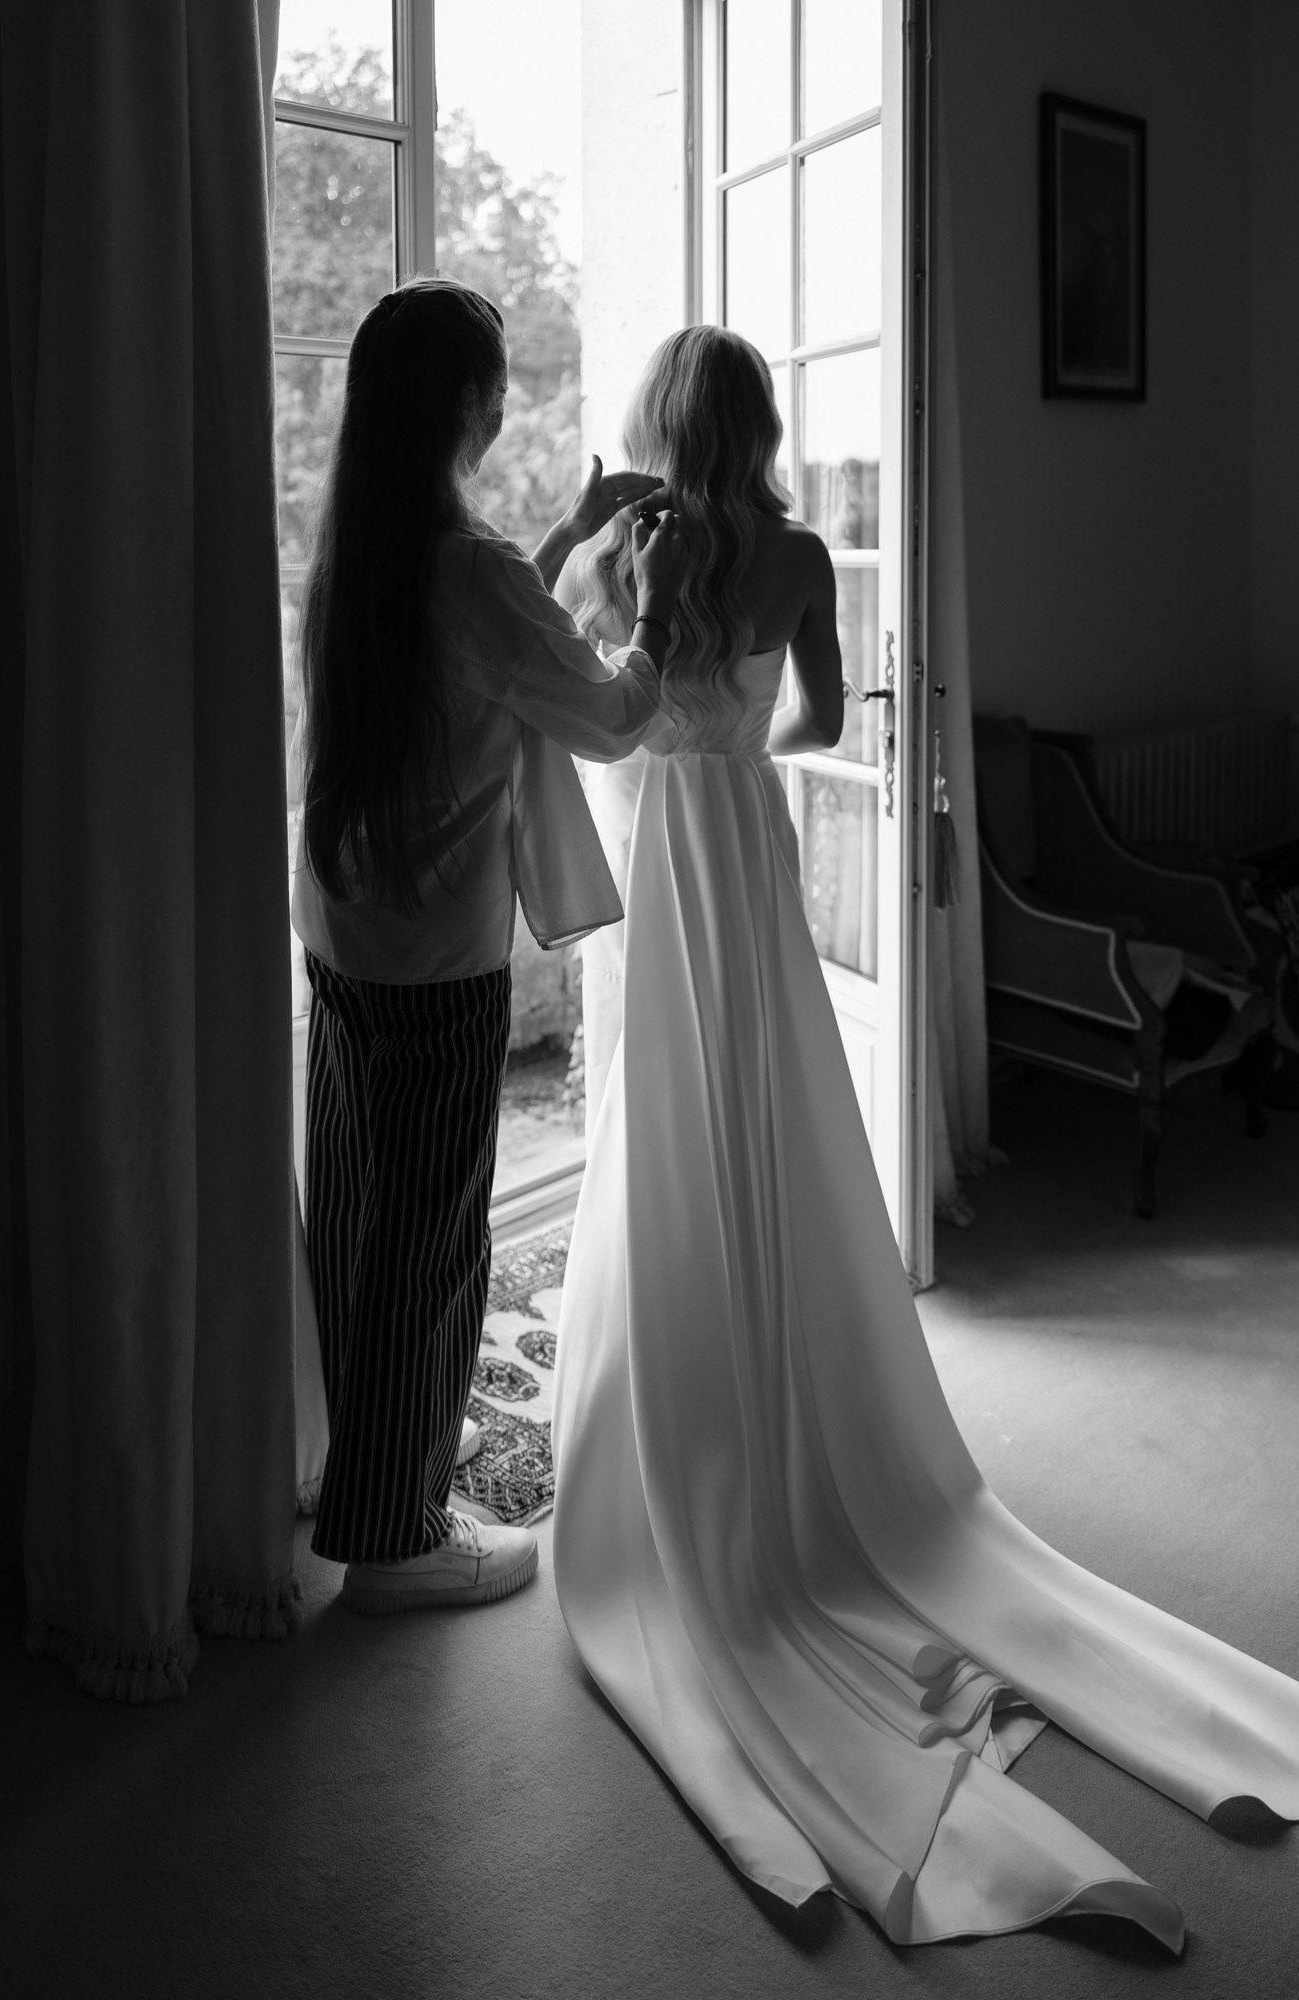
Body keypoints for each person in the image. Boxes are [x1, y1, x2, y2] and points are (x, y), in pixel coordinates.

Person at [550, 325, 1299, 1947]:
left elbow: (589, 727)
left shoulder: (631, 550)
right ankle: (817, 1401)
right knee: (778, 1105)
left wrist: (595, 568)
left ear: (654, 431)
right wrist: (737, 730)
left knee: (675, 1114)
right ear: (756, 428)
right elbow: (819, 724)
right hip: (746, 837)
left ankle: (701, 1420)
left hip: (670, 865)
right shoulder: (803, 552)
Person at [292, 277, 684, 1615]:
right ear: (468, 400)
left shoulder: (358, 551)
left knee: (353, 1220)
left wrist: (568, 531)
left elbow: (492, 639)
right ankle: (395, 1537)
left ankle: (368, 1466)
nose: (506, 394)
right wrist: (656, 622)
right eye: (495, 373)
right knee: (431, 1247)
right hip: (434, 961)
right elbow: (603, 714)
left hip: (340, 934)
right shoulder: (466, 568)